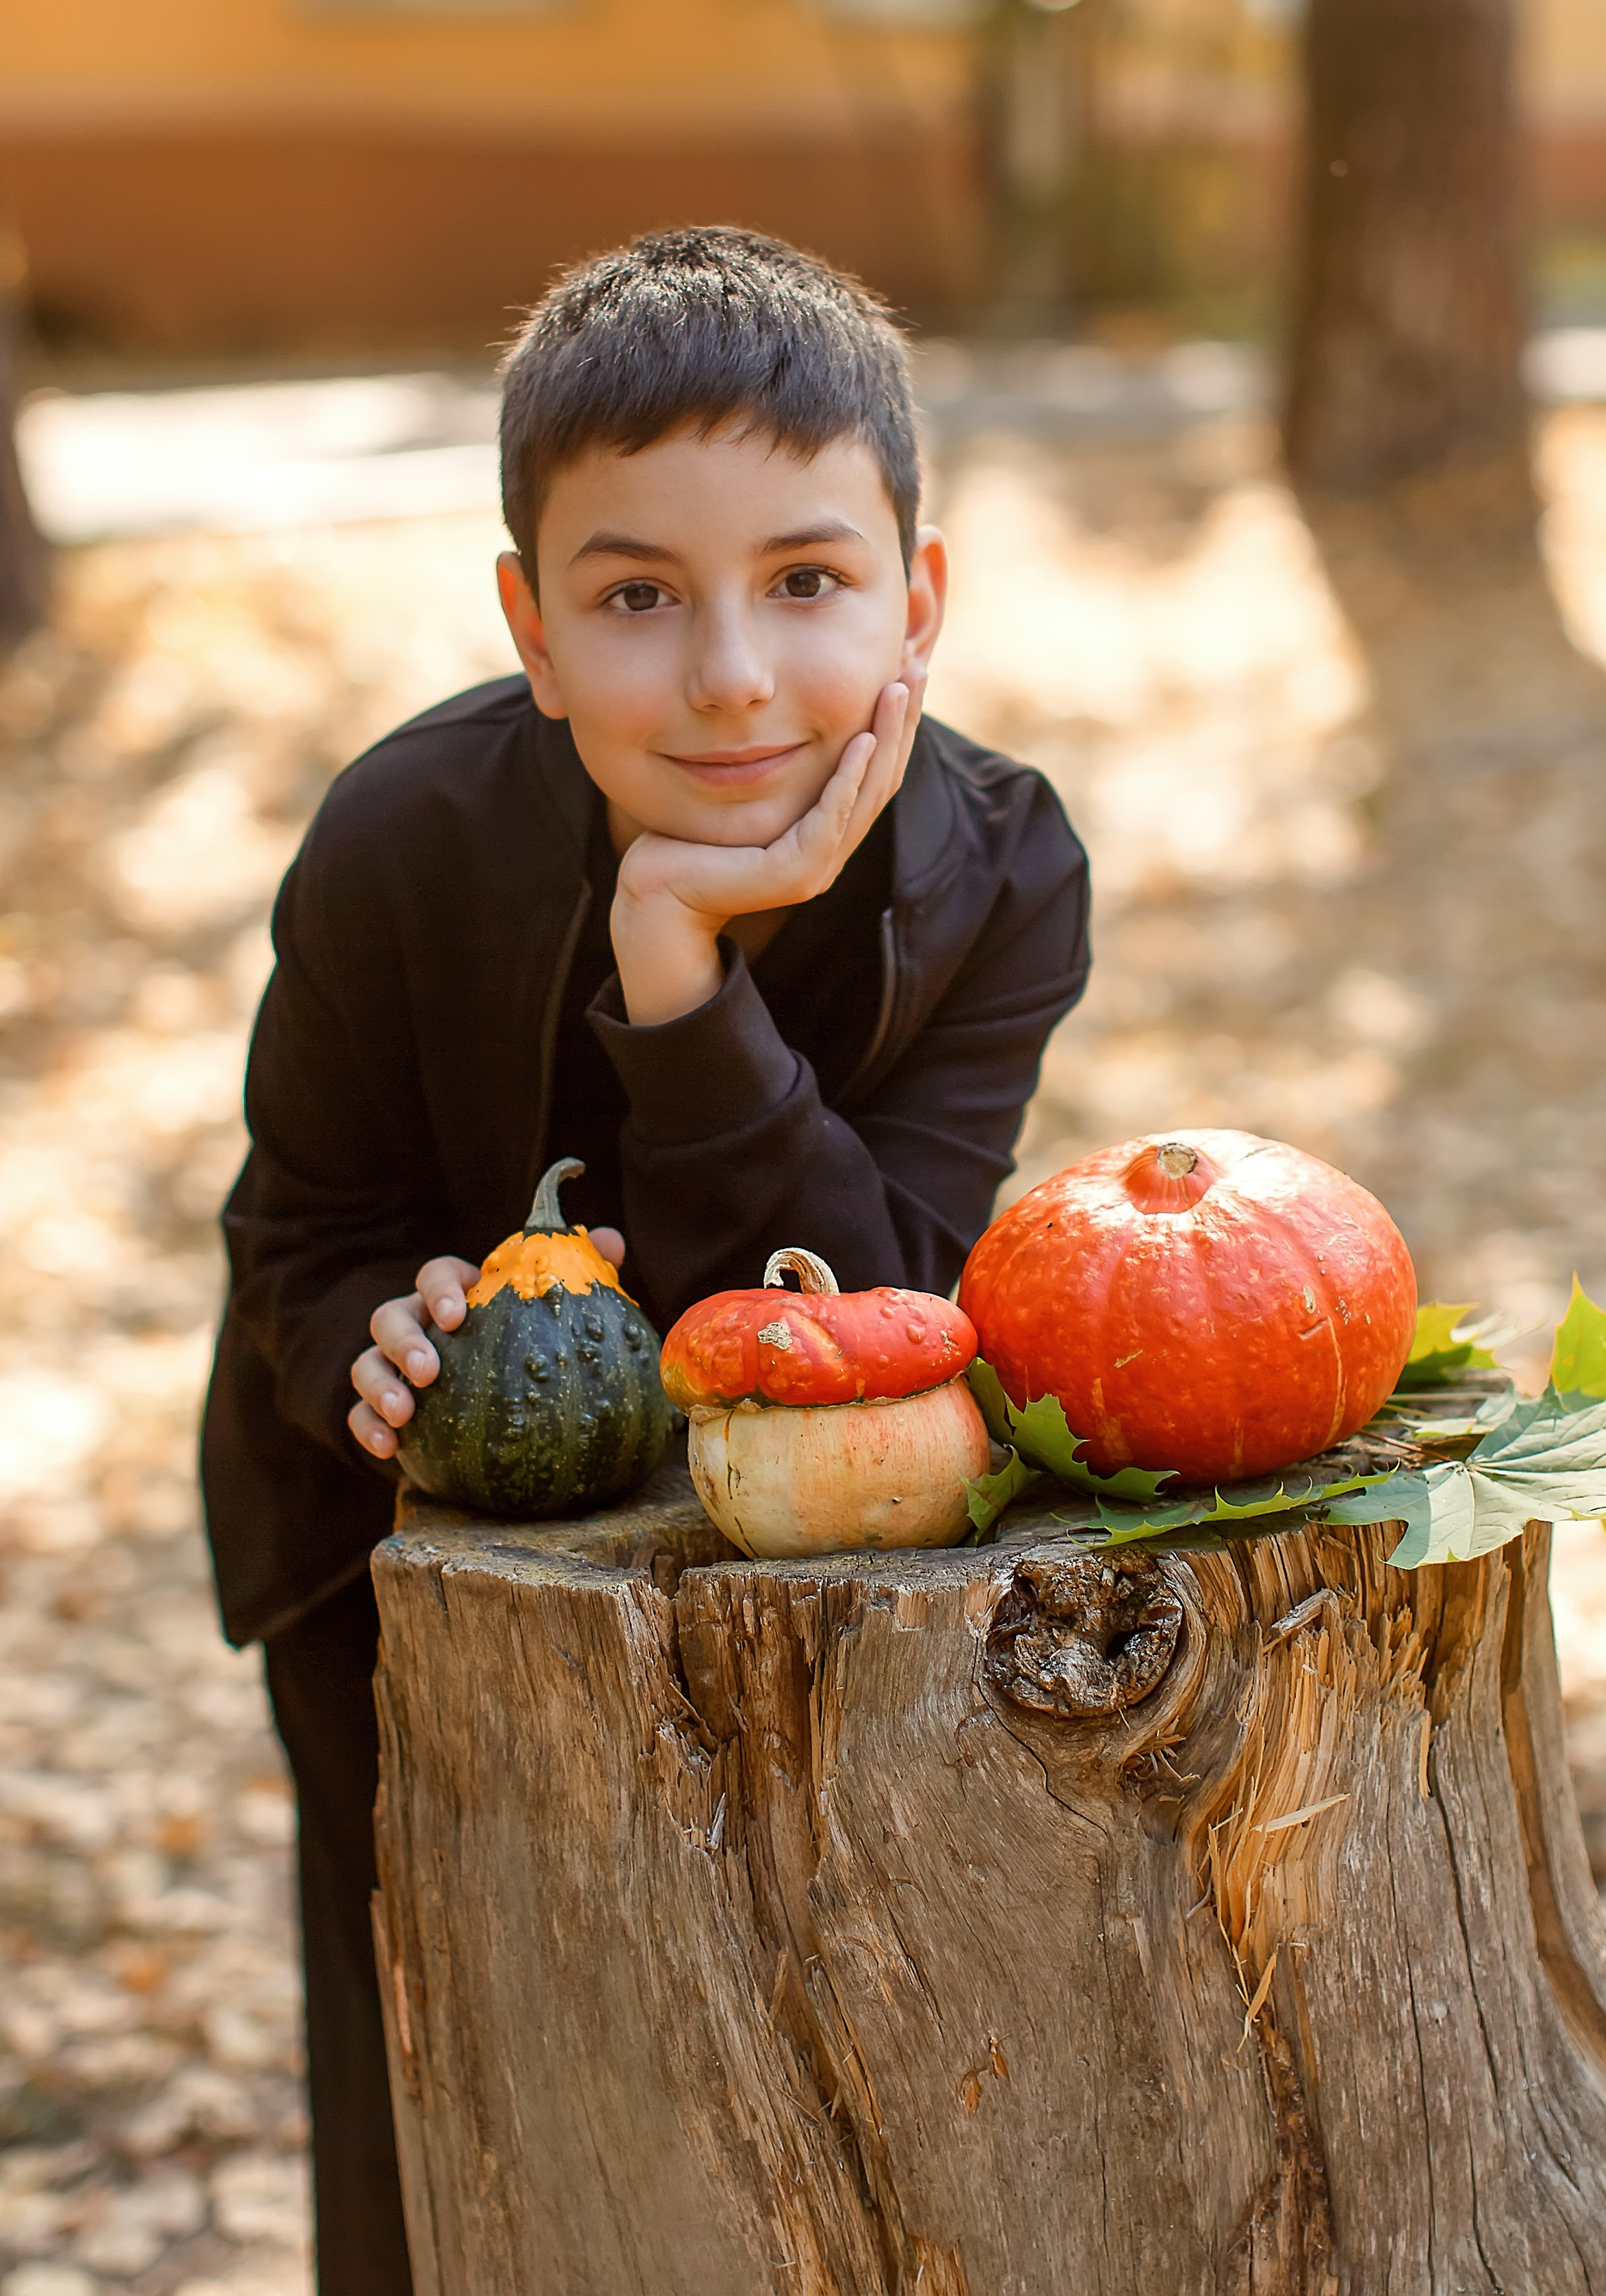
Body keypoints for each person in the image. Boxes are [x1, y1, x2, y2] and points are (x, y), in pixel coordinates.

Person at [201, 224, 1091, 2296]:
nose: (728, 677)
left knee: (788, 2099)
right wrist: (373, 1342)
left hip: (819, 1579)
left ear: (918, 596)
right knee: (447, 2075)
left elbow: (886, 1304)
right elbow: (303, 1231)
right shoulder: (398, 839)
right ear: (529, 624)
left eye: (806, 583)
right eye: (634, 599)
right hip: (407, 1582)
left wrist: (678, 975)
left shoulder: (1003, 868)